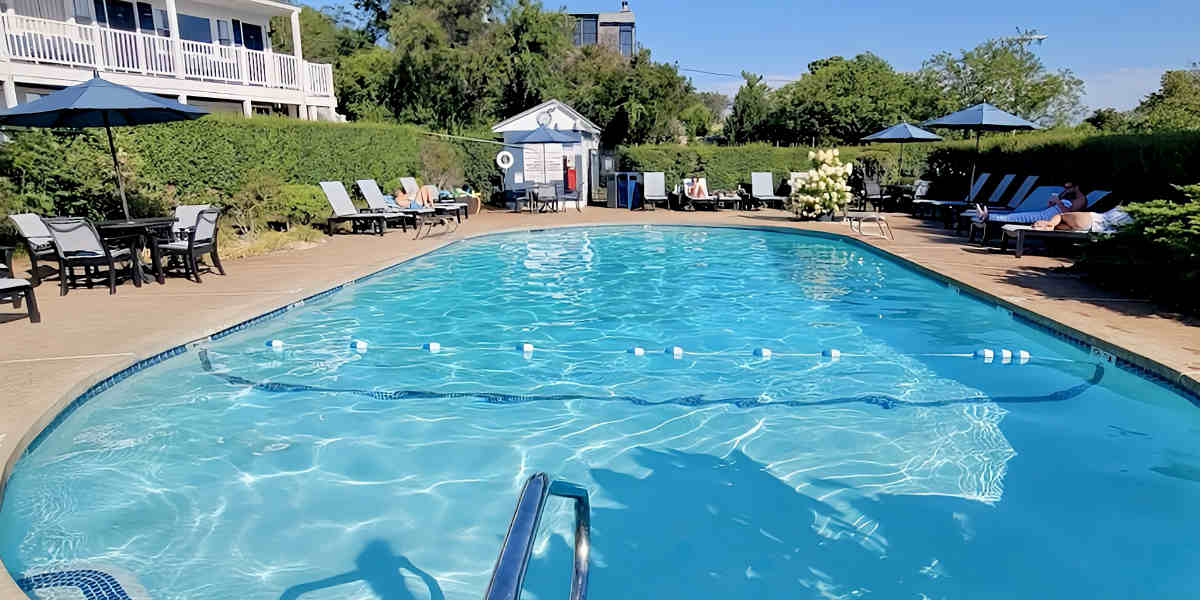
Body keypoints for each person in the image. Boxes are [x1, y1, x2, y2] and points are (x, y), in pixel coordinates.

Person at [975, 181, 1084, 224]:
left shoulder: (1080, 200)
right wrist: (1052, 203)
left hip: (1047, 219)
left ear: (1077, 187)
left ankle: (986, 216)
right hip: (1045, 213)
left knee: (1015, 218)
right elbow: (1055, 207)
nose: (1066, 189)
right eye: (1066, 187)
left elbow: (1069, 214)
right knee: (1014, 215)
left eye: (1069, 187)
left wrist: (1058, 202)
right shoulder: (1068, 196)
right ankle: (986, 215)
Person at [1031, 206, 1132, 233]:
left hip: (1092, 220)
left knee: (1060, 218)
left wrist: (1051, 223)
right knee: (1059, 220)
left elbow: (1061, 215)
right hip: (1094, 222)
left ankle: (1049, 224)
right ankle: (1049, 224)